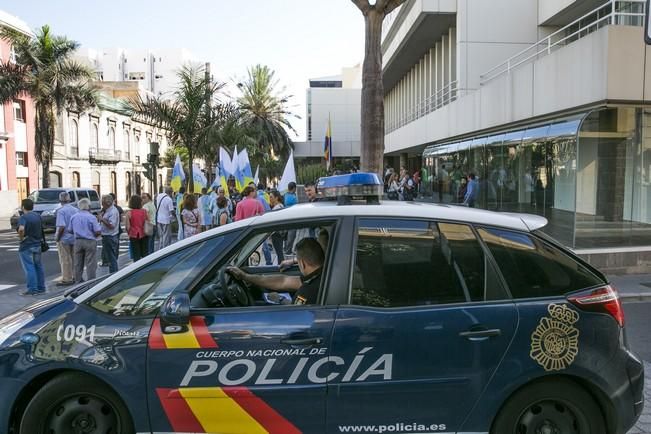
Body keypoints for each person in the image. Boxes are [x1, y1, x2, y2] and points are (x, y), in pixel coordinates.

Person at [228, 237, 324, 305]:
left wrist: (279, 299)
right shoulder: (323, 273)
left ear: (302, 263)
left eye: (298, 262)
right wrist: (245, 276)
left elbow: (295, 312)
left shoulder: (307, 291)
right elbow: (283, 281)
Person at [17, 198, 46, 295]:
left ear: (23, 207)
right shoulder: (37, 216)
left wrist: (21, 238)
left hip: (27, 245)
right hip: (37, 244)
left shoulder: (24, 217)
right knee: (38, 266)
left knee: (29, 267)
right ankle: (41, 287)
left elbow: (21, 229)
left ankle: (32, 289)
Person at [69, 199, 101, 283]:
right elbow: (97, 231)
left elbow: (70, 230)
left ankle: (78, 280)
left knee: (78, 263)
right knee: (90, 262)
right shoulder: (91, 217)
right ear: (88, 206)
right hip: (90, 240)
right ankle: (91, 281)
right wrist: (94, 235)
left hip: (78, 241)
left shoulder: (74, 217)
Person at [54, 191, 77, 286]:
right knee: (75, 258)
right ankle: (76, 276)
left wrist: (58, 237)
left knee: (65, 259)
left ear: (60, 200)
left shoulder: (61, 211)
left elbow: (62, 226)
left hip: (64, 238)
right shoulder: (76, 210)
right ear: (69, 200)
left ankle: (67, 278)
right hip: (74, 237)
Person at [98, 195, 120, 273]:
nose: (102, 204)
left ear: (107, 203)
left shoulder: (112, 211)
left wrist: (102, 219)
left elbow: (112, 225)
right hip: (107, 235)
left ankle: (114, 273)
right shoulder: (107, 210)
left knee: (111, 257)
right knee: (110, 256)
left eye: (103, 203)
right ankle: (112, 271)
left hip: (110, 236)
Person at [125, 195, 149, 261]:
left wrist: (128, 233)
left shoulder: (129, 213)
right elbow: (147, 222)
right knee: (145, 253)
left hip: (134, 235)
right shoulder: (144, 211)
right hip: (144, 233)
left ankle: (137, 267)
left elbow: (128, 227)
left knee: (136, 254)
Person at [269, 190, 285, 264]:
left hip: (276, 233)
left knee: (279, 253)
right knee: (280, 253)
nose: (270, 199)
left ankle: (281, 267)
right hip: (279, 233)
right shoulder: (280, 206)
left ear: (276, 198)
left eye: (271, 197)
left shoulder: (277, 208)